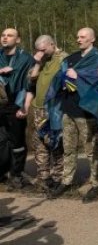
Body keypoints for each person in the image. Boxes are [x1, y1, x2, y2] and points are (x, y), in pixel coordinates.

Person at [55, 27, 98, 202]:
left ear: (92, 39)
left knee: (91, 149)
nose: (79, 40)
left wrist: (78, 75)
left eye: (83, 37)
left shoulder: (97, 59)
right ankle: (67, 180)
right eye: (77, 37)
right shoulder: (71, 58)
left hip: (86, 111)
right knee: (68, 148)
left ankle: (96, 183)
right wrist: (64, 79)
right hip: (68, 109)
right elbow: (61, 76)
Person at [24, 35, 67, 195]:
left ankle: (58, 178)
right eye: (38, 51)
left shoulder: (63, 59)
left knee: (56, 142)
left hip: (55, 108)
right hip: (38, 108)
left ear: (52, 44)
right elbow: (31, 79)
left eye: (43, 50)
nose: (40, 53)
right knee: (39, 143)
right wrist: (37, 62)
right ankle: (44, 177)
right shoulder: (41, 61)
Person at [0, 28, 35, 189]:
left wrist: (25, 106)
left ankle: (17, 174)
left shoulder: (25, 59)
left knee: (17, 140)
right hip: (0, 103)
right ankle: (3, 172)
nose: (5, 38)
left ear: (18, 40)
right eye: (3, 35)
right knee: (1, 140)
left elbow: (30, 85)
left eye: (9, 35)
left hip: (16, 103)